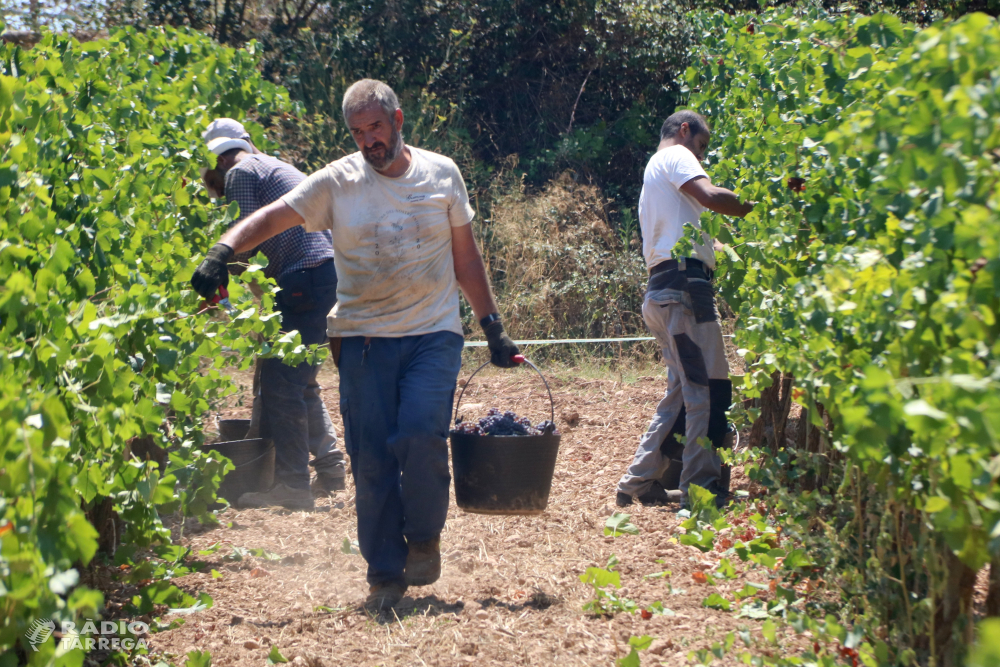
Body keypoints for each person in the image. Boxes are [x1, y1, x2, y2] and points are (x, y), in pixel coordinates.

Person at [190, 81, 520, 613]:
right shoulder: (338, 181)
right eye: (358, 132)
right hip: (362, 338)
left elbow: (466, 257)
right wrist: (222, 248)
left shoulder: (442, 173)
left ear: (398, 119)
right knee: (370, 457)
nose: (369, 141)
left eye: (376, 127)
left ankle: (425, 535)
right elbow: (274, 216)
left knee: (419, 431)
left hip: (432, 333)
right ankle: (384, 572)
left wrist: (492, 325)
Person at [200, 118, 347, 511]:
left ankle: (293, 485)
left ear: (217, 162)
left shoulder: (240, 173)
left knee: (282, 383)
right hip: (326, 274)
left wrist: (250, 305)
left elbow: (248, 242)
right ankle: (331, 470)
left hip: (302, 276)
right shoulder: (275, 166)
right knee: (300, 377)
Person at [615, 110, 754, 509]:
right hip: (684, 291)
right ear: (684, 131)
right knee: (709, 391)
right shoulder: (677, 156)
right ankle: (701, 492)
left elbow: (687, 230)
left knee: (680, 394)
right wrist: (755, 204)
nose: (702, 158)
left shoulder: (653, 175)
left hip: (661, 291)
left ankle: (638, 482)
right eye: (702, 147)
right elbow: (711, 197)